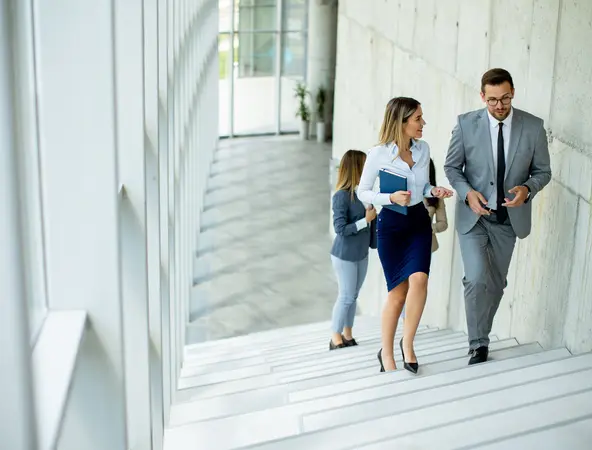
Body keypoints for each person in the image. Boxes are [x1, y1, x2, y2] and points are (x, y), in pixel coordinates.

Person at [444, 68, 552, 365]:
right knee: (476, 279)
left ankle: (481, 333)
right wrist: (467, 193)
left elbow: (543, 172)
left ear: (512, 92)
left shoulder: (533, 127)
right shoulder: (466, 125)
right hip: (474, 217)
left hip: (508, 220)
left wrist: (527, 189)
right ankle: (478, 343)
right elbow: (452, 167)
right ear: (482, 96)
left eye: (504, 98)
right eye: (492, 100)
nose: (499, 106)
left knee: (496, 284)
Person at [358, 97, 453, 373]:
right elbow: (363, 191)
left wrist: (433, 191)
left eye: (421, 118)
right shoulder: (378, 154)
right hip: (391, 226)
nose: (423, 123)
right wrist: (389, 197)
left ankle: (408, 344)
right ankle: (385, 353)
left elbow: (422, 187)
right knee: (398, 294)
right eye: (417, 119)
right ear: (401, 123)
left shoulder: (423, 150)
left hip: (418, 223)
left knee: (420, 280)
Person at [329, 150, 377, 350]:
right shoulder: (341, 196)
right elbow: (339, 229)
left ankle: (348, 334)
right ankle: (335, 337)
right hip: (345, 254)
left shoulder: (365, 195)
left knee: (353, 296)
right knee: (346, 296)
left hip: (361, 253)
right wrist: (364, 221)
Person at [424, 158, 448, 253]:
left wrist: (427, 228)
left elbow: (443, 224)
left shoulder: (437, 195)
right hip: (402, 244)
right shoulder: (403, 192)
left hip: (426, 246)